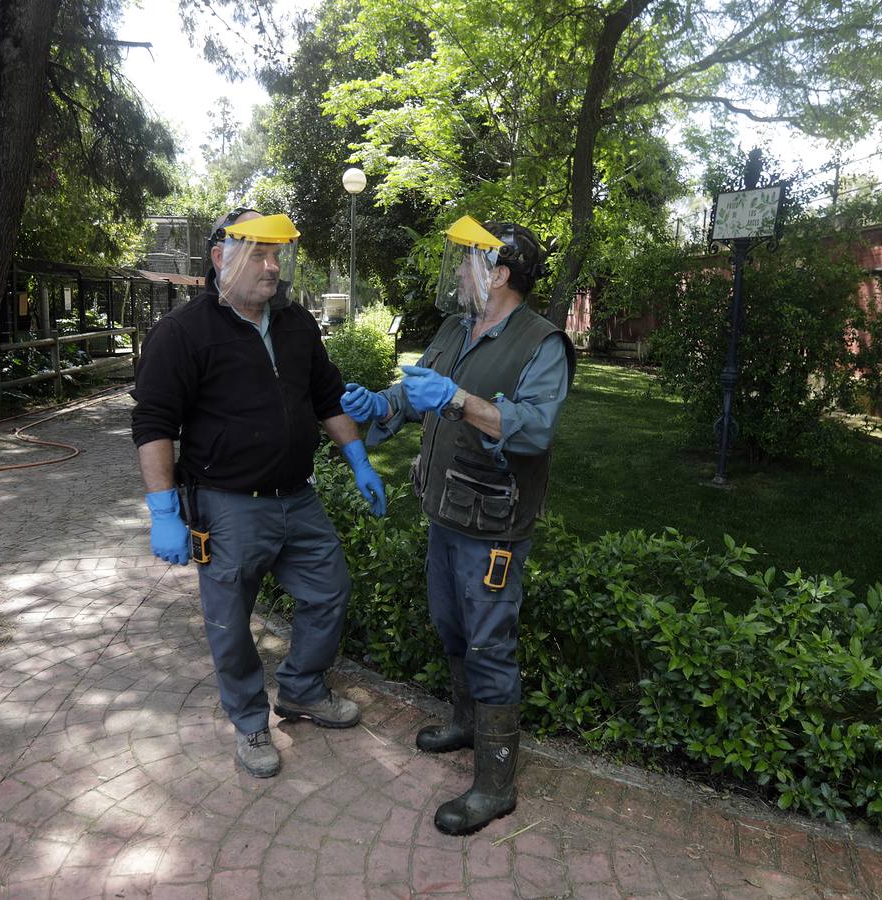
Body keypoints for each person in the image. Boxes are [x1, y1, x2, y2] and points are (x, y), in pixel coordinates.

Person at [131, 207, 386, 779]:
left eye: (277, 255)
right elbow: (153, 426)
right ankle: (249, 723)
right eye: (260, 255)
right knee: (230, 621)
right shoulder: (181, 334)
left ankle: (299, 690)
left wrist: (359, 458)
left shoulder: (296, 324)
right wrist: (163, 512)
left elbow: (327, 398)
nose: (272, 268)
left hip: (297, 497)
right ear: (222, 258)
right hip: (225, 506)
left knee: (329, 590)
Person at [341, 215, 575, 835]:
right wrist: (383, 404)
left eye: (470, 261)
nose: (459, 272)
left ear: (499, 274)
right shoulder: (456, 327)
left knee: (489, 645)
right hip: (445, 513)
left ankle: (496, 786)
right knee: (450, 626)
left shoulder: (542, 343)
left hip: (493, 528)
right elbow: (418, 389)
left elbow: (535, 428)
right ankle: (467, 724)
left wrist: (459, 401)